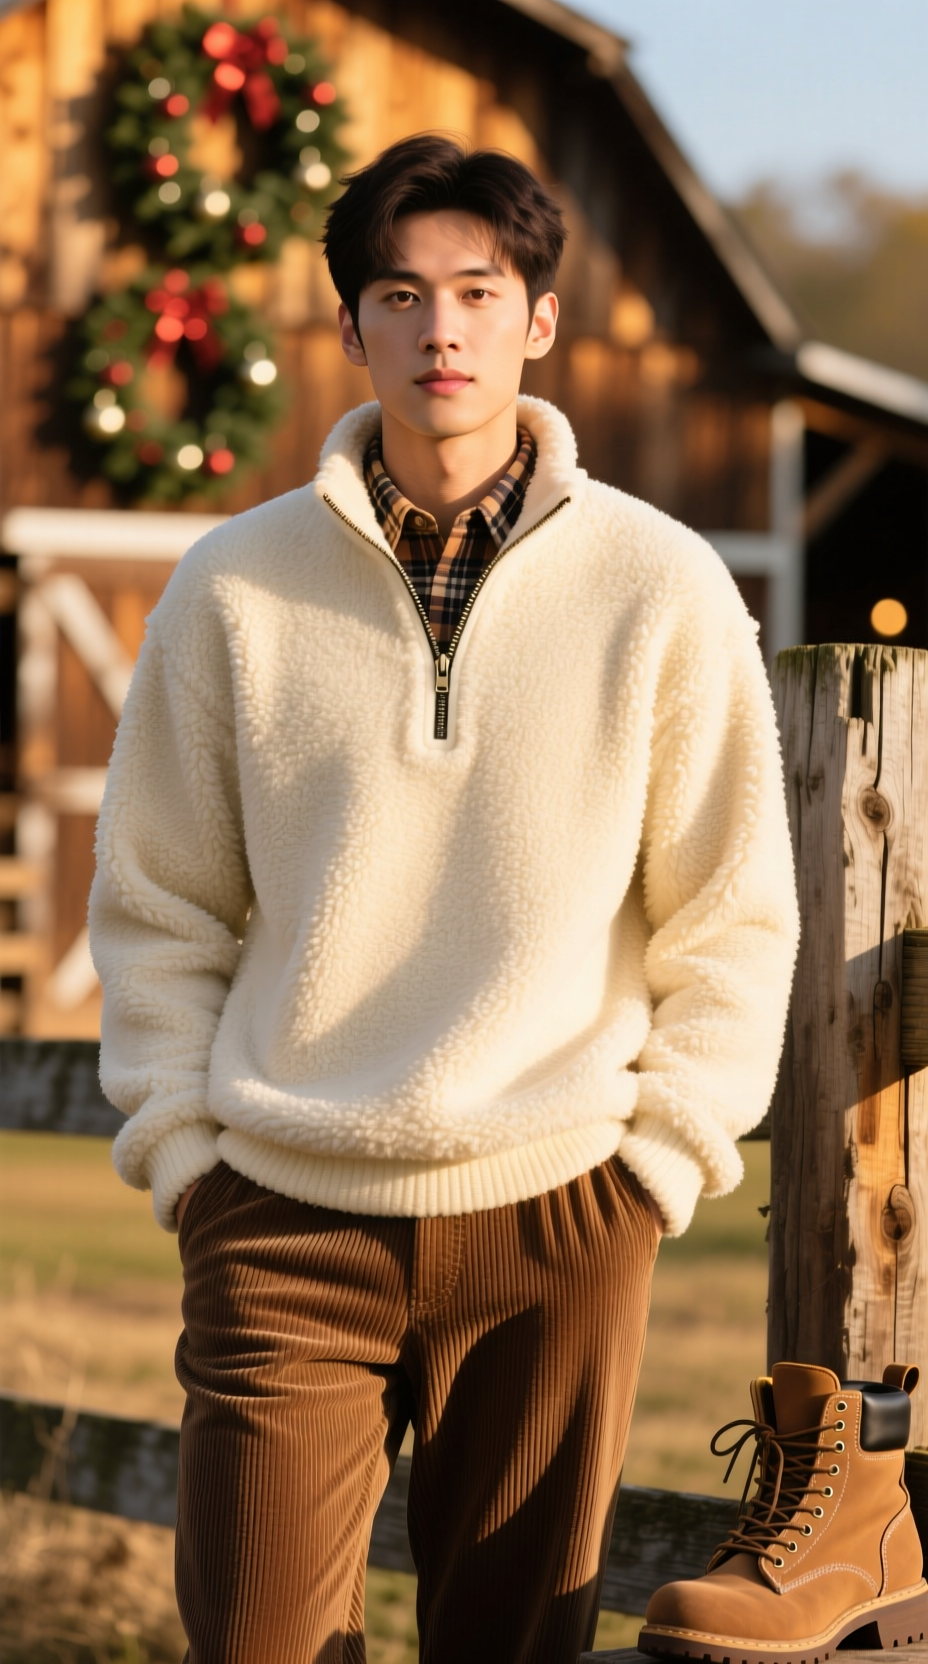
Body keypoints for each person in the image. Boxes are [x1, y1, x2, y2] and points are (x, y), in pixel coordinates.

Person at [89, 134, 799, 1664]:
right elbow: (159, 902)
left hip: (559, 1213)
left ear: (540, 318)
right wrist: (189, 1157)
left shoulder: (662, 587)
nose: (442, 331)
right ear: (352, 329)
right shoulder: (232, 588)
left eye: (479, 291)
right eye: (400, 296)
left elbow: (731, 911)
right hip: (282, 1214)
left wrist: (655, 1169)